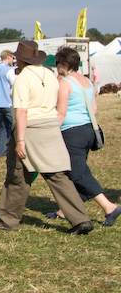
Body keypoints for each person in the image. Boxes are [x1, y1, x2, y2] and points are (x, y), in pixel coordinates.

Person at [0, 41, 93, 235]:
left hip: (30, 129)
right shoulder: (50, 75)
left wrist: (20, 141)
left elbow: (21, 111)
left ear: (20, 59)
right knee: (58, 175)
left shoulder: (23, 79)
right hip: (51, 127)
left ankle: (9, 220)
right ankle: (81, 219)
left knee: (17, 176)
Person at [46, 47, 120, 226]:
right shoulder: (85, 81)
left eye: (57, 64)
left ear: (64, 64)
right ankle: (65, 210)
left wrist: (49, 133)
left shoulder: (65, 83)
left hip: (72, 132)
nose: (56, 68)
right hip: (88, 130)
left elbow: (61, 113)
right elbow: (94, 109)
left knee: (78, 174)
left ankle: (109, 207)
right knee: (76, 171)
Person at [0, 50, 16, 156]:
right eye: (12, 58)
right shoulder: (8, 70)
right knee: (16, 127)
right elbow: (15, 84)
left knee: (3, 129)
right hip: (8, 102)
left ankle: (0, 152)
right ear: (9, 57)